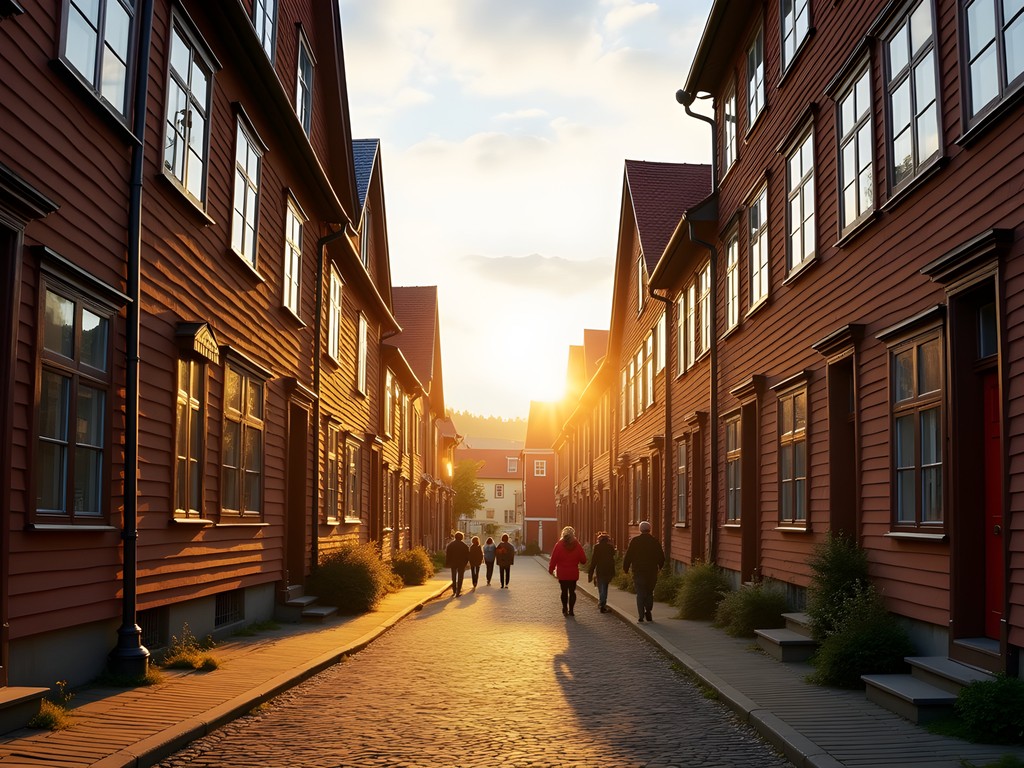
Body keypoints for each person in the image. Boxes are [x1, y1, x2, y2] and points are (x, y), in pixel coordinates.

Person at [622, 520, 665, 622]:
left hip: (638, 571)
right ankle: (648, 611)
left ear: (640, 530)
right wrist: (660, 567)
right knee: (649, 592)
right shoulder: (654, 541)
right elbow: (661, 556)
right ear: (649, 529)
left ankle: (641, 615)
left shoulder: (635, 541)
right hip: (651, 571)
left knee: (640, 593)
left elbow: (628, 555)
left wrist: (626, 568)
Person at [548, 526, 587, 616]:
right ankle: (571, 610)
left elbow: (554, 558)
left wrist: (551, 569)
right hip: (573, 573)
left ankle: (565, 608)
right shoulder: (577, 545)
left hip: (562, 573)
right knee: (572, 592)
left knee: (564, 591)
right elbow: (583, 560)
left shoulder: (559, 545)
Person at [587, 531, 616, 613]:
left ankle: (601, 603)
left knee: (601, 587)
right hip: (608, 569)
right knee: (605, 587)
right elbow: (613, 555)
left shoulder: (597, 547)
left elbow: (594, 560)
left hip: (600, 569)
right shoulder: (610, 547)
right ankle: (602, 603)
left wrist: (590, 572)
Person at [445, 531, 470, 597]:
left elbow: (448, 555)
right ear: (462, 537)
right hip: (461, 564)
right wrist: (465, 563)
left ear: (455, 537)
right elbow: (467, 556)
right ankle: (458, 591)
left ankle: (454, 590)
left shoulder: (450, 545)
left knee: (453, 576)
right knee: (460, 577)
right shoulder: (465, 546)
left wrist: (447, 563)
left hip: (453, 563)